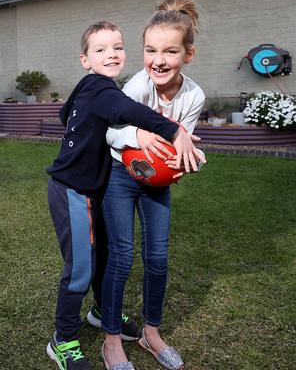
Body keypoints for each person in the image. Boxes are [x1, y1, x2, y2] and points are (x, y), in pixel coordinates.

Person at [45, 21, 203, 370]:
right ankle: (63, 339)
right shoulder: (103, 89)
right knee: (80, 269)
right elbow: (128, 111)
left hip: (93, 188)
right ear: (85, 60)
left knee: (103, 257)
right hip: (72, 190)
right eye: (100, 50)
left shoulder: (94, 88)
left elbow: (64, 112)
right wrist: (172, 129)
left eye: (117, 47)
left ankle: (102, 312)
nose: (111, 54)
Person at [99, 0, 205, 370]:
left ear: (187, 55)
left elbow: (180, 144)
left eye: (170, 51)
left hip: (156, 182)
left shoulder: (194, 95)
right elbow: (108, 135)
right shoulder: (135, 89)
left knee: (157, 258)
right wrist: (136, 137)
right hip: (119, 174)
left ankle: (151, 333)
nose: (158, 60)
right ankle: (112, 340)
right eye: (150, 50)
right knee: (122, 255)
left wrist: (184, 159)